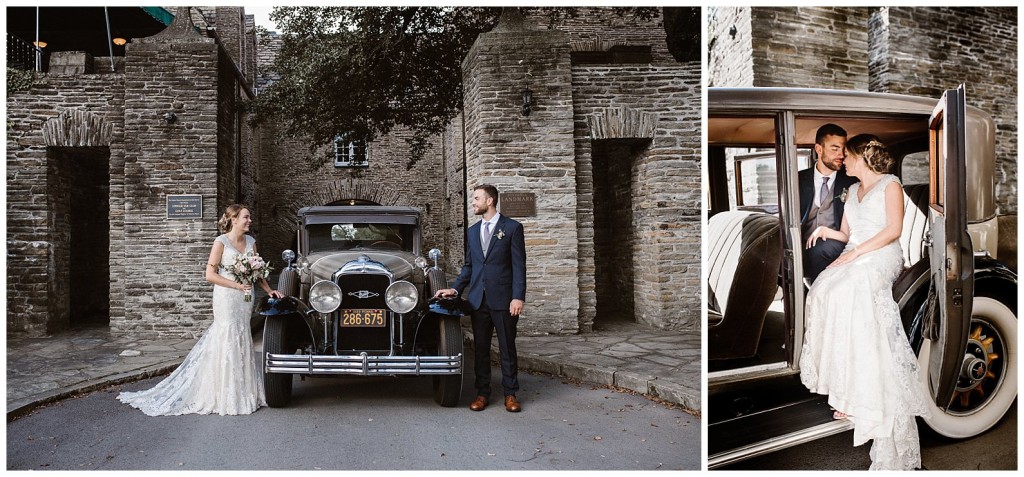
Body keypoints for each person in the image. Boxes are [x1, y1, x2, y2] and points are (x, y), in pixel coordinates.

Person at [799, 135, 931, 470]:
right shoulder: (850, 190)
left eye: (848, 155)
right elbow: (846, 233)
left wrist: (857, 252)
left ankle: (864, 393)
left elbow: (894, 230)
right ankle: (846, 388)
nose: (842, 159)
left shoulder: (890, 185)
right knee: (823, 290)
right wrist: (827, 234)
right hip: (855, 252)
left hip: (881, 256)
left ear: (862, 157)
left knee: (850, 288)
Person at [118, 204, 285, 416]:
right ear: (234, 219)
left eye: (249, 217)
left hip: (245, 298)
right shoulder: (221, 242)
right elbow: (210, 275)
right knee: (226, 334)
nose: (249, 220)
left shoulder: (251, 242)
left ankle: (244, 392)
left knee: (242, 334)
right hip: (226, 296)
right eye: (246, 217)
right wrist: (236, 285)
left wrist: (269, 290)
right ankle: (223, 394)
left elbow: (257, 271)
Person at [435, 185, 527, 413]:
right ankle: (482, 393)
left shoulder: (512, 228)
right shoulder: (473, 231)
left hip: (504, 300)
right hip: (478, 301)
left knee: (507, 348)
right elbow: (469, 267)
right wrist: (455, 290)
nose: (473, 202)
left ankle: (510, 394)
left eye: (476, 198)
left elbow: (519, 267)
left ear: (490, 200)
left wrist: (517, 297)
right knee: (481, 350)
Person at [799, 123, 858, 282]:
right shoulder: (798, 179)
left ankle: (817, 295)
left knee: (819, 250)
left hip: (834, 243)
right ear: (818, 149)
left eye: (843, 149)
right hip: (801, 243)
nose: (841, 155)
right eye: (834, 149)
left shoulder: (851, 182)